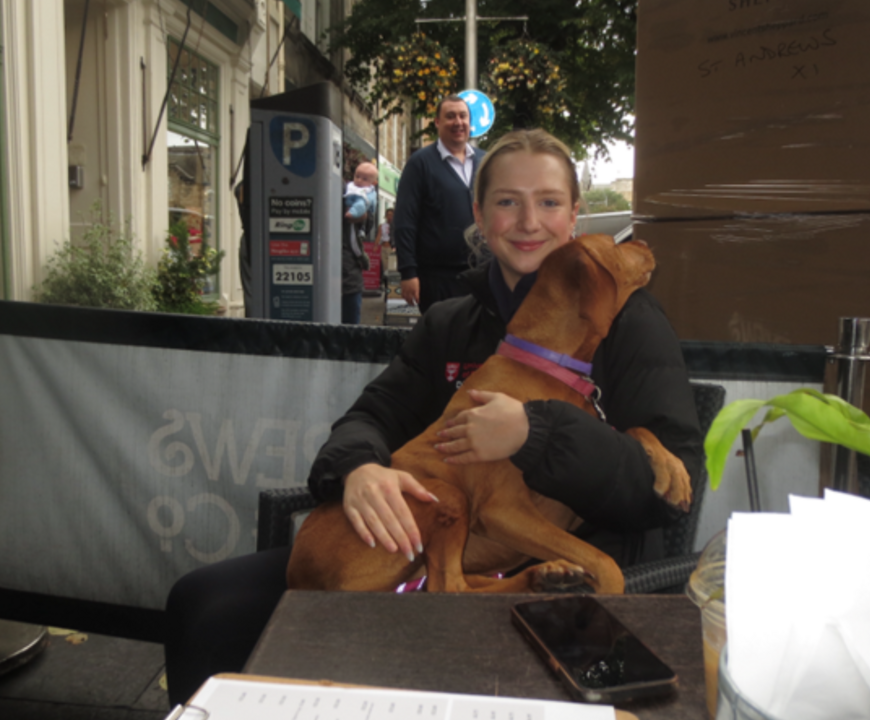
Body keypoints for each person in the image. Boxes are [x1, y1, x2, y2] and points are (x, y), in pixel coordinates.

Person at [163, 128, 702, 708]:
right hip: (407, 547)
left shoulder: (627, 321)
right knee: (204, 604)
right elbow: (371, 416)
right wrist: (359, 471)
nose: (527, 221)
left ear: (575, 215)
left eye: (548, 202)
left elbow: (666, 492)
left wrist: (535, 434)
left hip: (550, 569)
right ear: (479, 213)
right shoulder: (451, 321)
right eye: (506, 201)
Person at [393, 95, 486, 313]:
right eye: (450, 116)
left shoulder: (485, 162)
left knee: (479, 340)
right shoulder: (421, 163)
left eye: (463, 116)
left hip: (481, 274)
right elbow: (405, 220)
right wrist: (408, 272)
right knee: (443, 340)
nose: (458, 122)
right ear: (437, 122)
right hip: (436, 278)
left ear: (470, 122)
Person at [341, 162, 378, 324]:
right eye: (357, 176)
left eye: (364, 178)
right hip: (347, 264)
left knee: (350, 310)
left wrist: (364, 217)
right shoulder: (346, 190)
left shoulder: (365, 196)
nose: (359, 180)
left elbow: (367, 222)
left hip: (349, 266)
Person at [377, 208, 394, 287]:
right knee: (385, 269)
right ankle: (386, 286)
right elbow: (379, 236)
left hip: (392, 248)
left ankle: (391, 287)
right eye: (388, 215)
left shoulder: (395, 225)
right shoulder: (382, 226)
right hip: (384, 248)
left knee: (392, 269)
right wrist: (375, 245)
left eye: (391, 215)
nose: (389, 217)